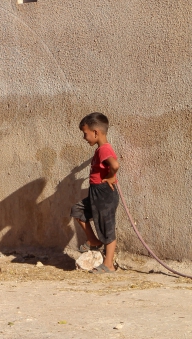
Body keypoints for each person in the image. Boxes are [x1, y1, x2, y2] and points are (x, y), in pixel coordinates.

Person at [70, 112, 120, 274]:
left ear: (96, 133)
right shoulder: (100, 149)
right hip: (95, 193)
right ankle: (93, 240)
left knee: (107, 228)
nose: (84, 137)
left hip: (104, 194)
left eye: (85, 134)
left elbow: (115, 165)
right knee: (78, 210)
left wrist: (111, 176)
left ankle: (108, 264)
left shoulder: (104, 150)